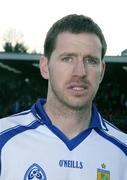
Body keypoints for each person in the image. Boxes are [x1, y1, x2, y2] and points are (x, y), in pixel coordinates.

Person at [0, 14, 126, 180]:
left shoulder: (122, 151)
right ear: (44, 67)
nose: (80, 72)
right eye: (67, 59)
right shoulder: (3, 139)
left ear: (101, 71)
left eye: (91, 61)